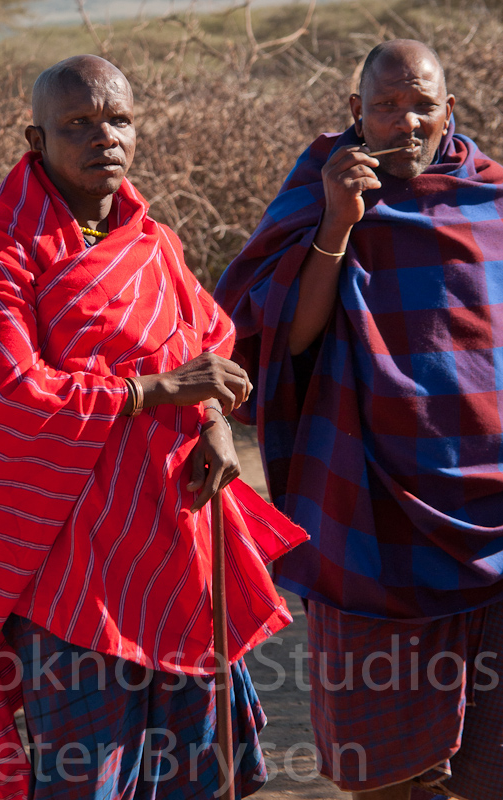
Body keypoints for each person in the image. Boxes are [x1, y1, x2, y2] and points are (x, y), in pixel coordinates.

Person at [0, 54, 307, 800]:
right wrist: (161, 389)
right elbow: (15, 392)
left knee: (193, 776)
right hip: (68, 556)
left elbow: (206, 335)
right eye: (78, 123)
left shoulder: (154, 241)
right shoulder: (1, 250)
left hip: (173, 543)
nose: (103, 136)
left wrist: (207, 419)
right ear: (35, 139)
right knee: (88, 779)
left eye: (118, 120)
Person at [215, 39, 503, 800]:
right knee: (384, 777)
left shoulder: (491, 201)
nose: (404, 122)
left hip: (492, 524)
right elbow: (279, 338)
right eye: (384, 106)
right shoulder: (323, 191)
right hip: (369, 516)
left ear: (450, 111)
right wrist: (338, 224)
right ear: (355, 112)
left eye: (421, 105)